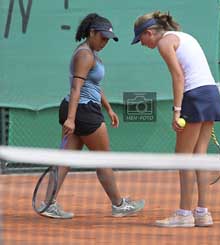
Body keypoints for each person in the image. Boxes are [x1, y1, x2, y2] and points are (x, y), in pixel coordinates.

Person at [41, 13, 145, 219]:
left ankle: (48, 204)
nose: (105, 42)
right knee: (103, 159)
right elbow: (76, 89)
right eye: (102, 37)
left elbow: (94, 85)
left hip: (82, 110)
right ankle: (119, 205)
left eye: (108, 39)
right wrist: (71, 118)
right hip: (83, 111)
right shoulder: (85, 55)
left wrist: (108, 108)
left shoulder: (91, 53)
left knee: (64, 160)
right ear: (92, 33)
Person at [131, 11, 220, 227]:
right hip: (211, 93)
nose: (142, 44)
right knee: (198, 155)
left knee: (183, 158)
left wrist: (176, 111)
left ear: (149, 32)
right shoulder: (186, 36)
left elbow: (178, 77)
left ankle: (184, 214)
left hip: (195, 95)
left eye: (140, 39)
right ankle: (202, 213)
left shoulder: (165, 43)